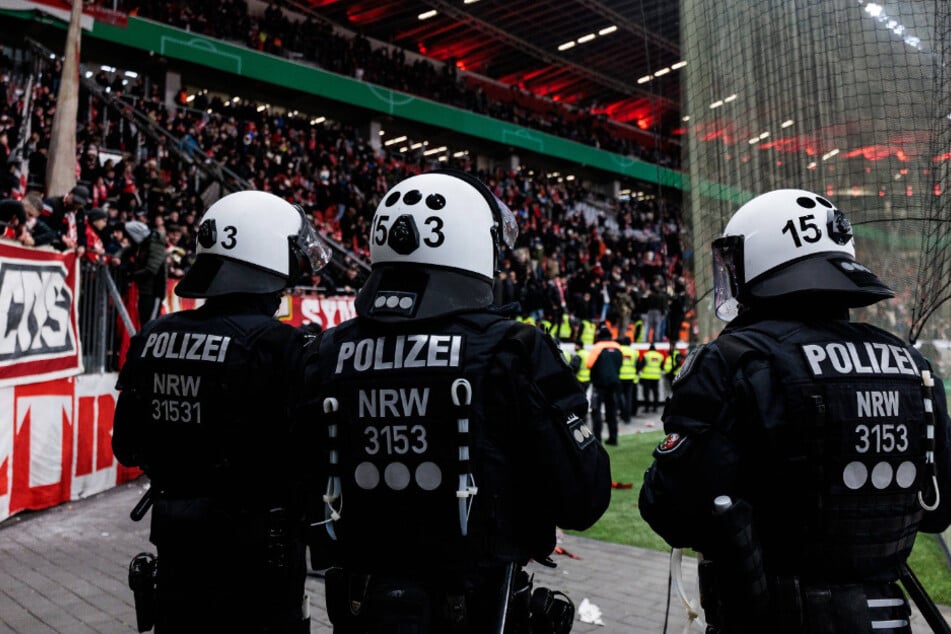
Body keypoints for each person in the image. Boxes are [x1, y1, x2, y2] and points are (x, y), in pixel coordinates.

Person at [300, 169, 612, 633]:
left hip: (359, 606)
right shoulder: (514, 350)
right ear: (471, 243)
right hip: (476, 605)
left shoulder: (322, 352)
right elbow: (584, 500)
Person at [639, 189, 951, 633]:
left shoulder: (733, 359)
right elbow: (938, 511)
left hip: (769, 617)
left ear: (757, 261)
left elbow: (671, 510)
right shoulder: (911, 364)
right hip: (886, 618)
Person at [112, 190, 331, 633]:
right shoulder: (284, 346)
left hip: (177, 549)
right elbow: (316, 459)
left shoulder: (154, 335)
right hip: (259, 562)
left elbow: (126, 446)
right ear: (266, 257)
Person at [123, 219, 168, 328]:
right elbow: (128, 250)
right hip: (145, 290)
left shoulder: (155, 245)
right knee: (144, 322)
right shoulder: (144, 243)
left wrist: (131, 275)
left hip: (154, 291)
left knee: (150, 324)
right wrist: (117, 257)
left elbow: (151, 270)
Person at [586, 326, 623, 445]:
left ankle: (597, 439)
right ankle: (613, 438)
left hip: (599, 385)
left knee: (596, 411)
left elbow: (588, 364)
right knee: (611, 412)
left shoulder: (598, 347)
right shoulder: (618, 347)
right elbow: (620, 363)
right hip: (614, 384)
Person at [637, 343, 664, 412]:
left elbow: (641, 365)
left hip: (646, 377)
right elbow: (661, 367)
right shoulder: (660, 356)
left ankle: (647, 408)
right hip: (656, 377)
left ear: (649, 349)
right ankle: (655, 408)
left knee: (646, 393)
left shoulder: (646, 355)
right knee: (655, 393)